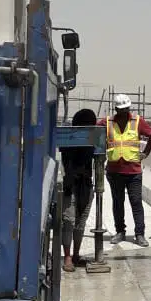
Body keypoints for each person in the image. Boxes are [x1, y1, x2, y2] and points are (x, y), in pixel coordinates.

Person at [98, 93, 151, 248]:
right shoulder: (108, 122)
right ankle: (120, 231)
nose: (124, 111)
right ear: (116, 108)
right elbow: (94, 131)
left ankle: (140, 234)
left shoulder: (137, 122)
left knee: (136, 202)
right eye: (121, 109)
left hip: (133, 171)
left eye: (126, 108)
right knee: (118, 203)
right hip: (114, 171)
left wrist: (146, 153)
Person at [61, 108, 97, 273]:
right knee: (69, 221)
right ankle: (67, 257)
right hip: (71, 185)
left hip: (86, 185)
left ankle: (76, 255)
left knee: (80, 222)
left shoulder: (93, 139)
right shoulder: (69, 138)